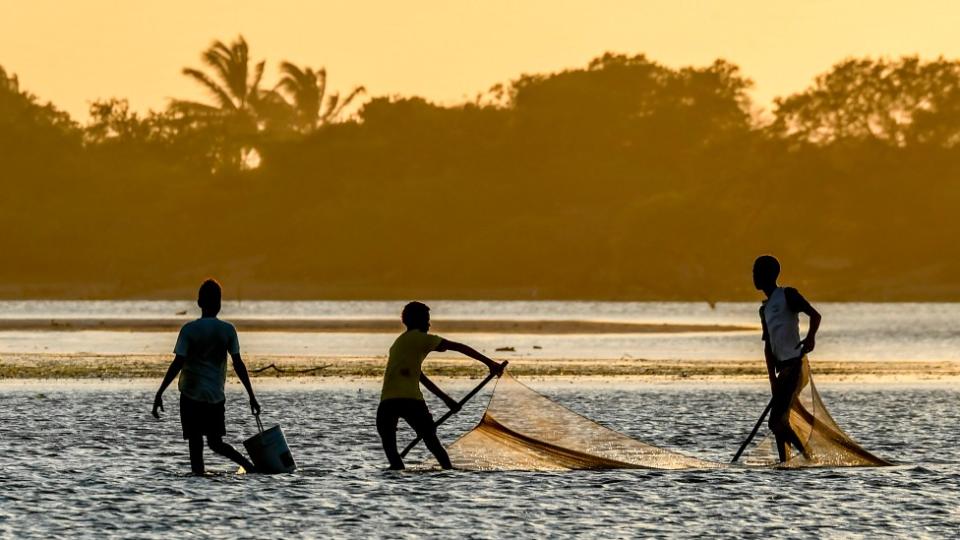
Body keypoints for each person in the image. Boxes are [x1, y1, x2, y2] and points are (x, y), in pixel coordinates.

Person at [377, 301, 504, 470]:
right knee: (434, 445)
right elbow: (458, 347)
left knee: (392, 455)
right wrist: (490, 363)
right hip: (411, 402)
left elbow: (418, 376)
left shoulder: (399, 343)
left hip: (387, 404)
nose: (429, 324)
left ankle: (397, 484)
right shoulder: (422, 339)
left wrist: (446, 400)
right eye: (426, 320)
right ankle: (448, 474)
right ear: (418, 321)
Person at [152, 279, 261, 474]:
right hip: (215, 397)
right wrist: (251, 396)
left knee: (196, 445)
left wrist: (159, 392)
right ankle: (249, 467)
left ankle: (200, 480)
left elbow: (177, 364)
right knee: (215, 443)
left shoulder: (189, 330)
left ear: (199, 303)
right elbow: (238, 364)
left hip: (191, 396)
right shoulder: (227, 330)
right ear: (219, 304)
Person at [753, 255, 821, 463]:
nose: (753, 277)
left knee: (775, 422)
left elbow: (815, 315)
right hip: (782, 370)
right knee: (779, 423)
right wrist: (772, 380)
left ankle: (809, 458)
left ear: (767, 276)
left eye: (757, 272)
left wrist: (810, 338)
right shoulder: (764, 309)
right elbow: (768, 346)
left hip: (795, 366)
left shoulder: (788, 295)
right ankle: (786, 463)